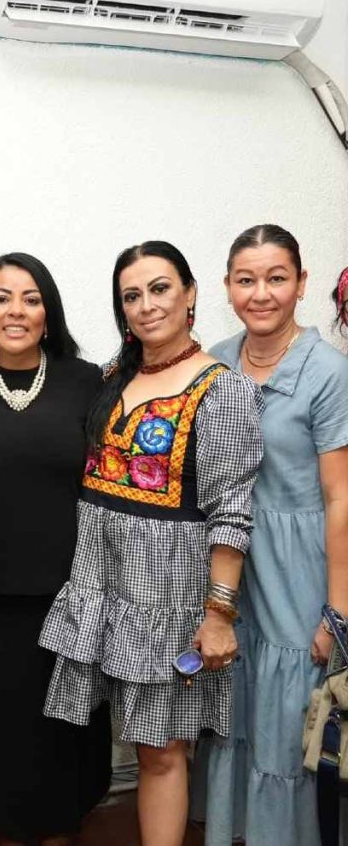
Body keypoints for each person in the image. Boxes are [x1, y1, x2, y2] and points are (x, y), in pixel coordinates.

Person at [39, 240, 264, 846]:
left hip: (166, 600)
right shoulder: (115, 378)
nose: (146, 306)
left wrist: (218, 614)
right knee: (138, 747)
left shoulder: (222, 390)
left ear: (191, 295)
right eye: (131, 296)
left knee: (162, 753)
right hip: (104, 591)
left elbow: (232, 513)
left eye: (160, 289)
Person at [0, 252, 112, 845]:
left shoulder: (86, 382)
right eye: (1, 297)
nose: (16, 310)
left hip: (70, 598)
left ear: (48, 312)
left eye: (31, 298)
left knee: (62, 743)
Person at [191, 225, 348, 846]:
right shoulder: (216, 360)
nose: (262, 293)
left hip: (300, 563)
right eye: (247, 279)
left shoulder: (329, 372)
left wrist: (336, 610)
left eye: (277, 278)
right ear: (228, 287)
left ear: (301, 284)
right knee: (236, 705)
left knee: (289, 718)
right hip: (230, 564)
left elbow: (341, 498)